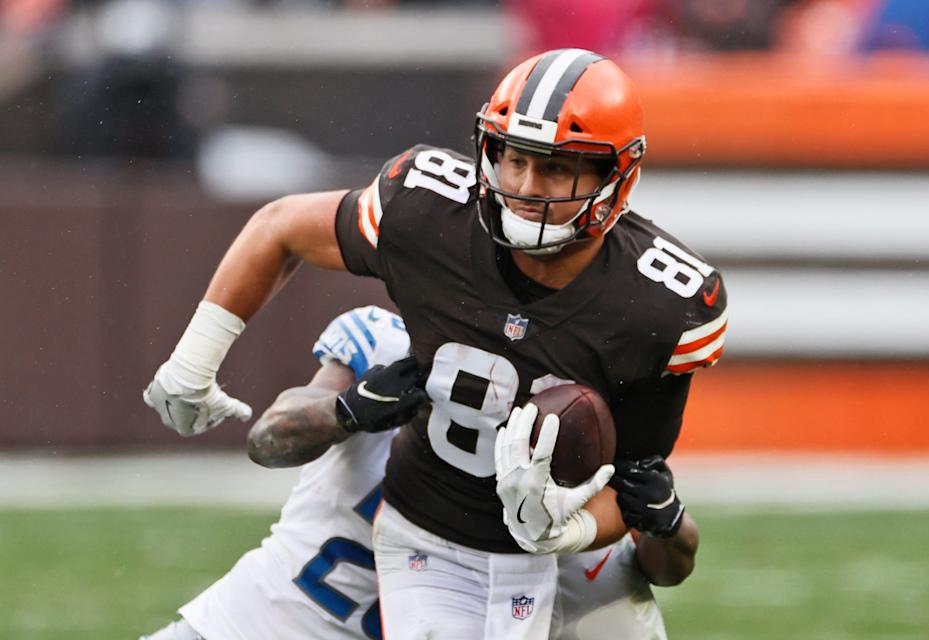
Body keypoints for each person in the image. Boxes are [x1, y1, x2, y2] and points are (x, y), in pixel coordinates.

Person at [144, 48, 726, 638]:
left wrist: (566, 529)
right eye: (514, 159)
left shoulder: (658, 305)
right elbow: (280, 232)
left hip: (560, 557)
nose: (525, 186)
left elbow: (639, 502)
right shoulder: (423, 231)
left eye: (556, 168)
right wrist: (199, 364)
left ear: (615, 175)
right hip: (429, 541)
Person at [140, 306, 686, 640]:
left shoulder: (561, 453)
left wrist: (666, 518)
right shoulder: (386, 345)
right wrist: (348, 410)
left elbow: (658, 569)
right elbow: (267, 440)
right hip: (253, 625)